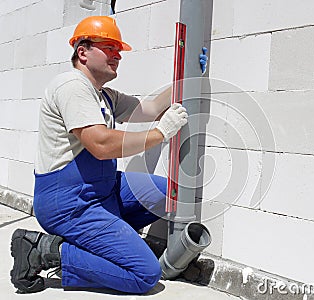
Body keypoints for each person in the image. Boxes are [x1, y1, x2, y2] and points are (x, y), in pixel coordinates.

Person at [10, 16, 208, 294]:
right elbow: (100, 144)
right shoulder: (72, 86)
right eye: (110, 48)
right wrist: (160, 134)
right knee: (145, 275)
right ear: (83, 52)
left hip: (101, 191)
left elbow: (149, 109)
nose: (118, 56)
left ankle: (105, 246)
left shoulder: (103, 95)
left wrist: (189, 78)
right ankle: (44, 251)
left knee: (168, 192)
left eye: (119, 50)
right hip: (68, 202)